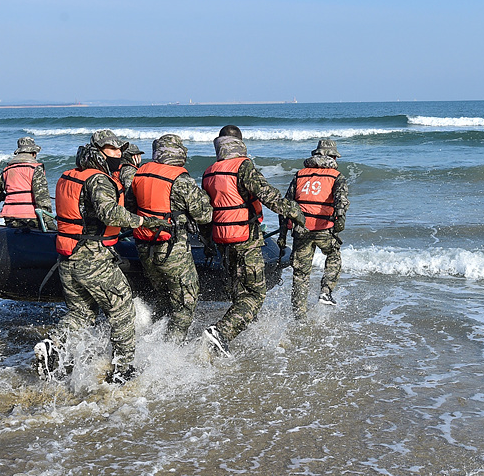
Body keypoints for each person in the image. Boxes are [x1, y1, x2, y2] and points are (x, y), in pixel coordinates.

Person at [34, 129, 167, 384]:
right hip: (92, 257)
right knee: (123, 310)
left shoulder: (69, 176)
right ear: (97, 152)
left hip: (67, 256)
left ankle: (52, 346)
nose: (118, 154)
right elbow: (110, 214)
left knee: (80, 315)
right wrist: (145, 221)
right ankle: (122, 370)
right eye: (112, 150)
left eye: (119, 150)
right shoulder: (98, 180)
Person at [199, 125, 305, 357]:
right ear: (240, 143)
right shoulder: (243, 166)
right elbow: (268, 196)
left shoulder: (209, 172)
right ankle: (220, 333)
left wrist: (209, 244)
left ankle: (227, 341)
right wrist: (295, 212)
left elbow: (205, 215)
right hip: (246, 240)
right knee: (256, 295)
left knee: (239, 295)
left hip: (222, 241)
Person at [126, 134, 213, 341]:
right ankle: (172, 348)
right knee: (185, 300)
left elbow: (130, 208)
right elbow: (204, 215)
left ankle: (153, 337)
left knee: (163, 295)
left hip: (144, 246)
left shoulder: (140, 174)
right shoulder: (180, 179)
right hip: (171, 248)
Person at [278, 139, 349, 319]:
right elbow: (341, 204)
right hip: (324, 229)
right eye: (334, 156)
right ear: (330, 156)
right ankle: (325, 291)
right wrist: (339, 224)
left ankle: (299, 317)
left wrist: (282, 235)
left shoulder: (300, 175)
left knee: (300, 275)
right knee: (333, 256)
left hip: (301, 230)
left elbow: (286, 206)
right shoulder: (336, 176)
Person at [0, 136, 56, 230]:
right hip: (30, 217)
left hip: (9, 216)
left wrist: (9, 195)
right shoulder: (35, 169)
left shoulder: (7, 170)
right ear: (33, 154)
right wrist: (49, 221)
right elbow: (42, 199)